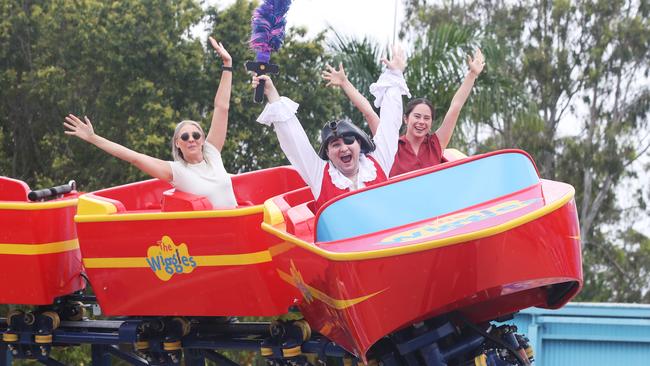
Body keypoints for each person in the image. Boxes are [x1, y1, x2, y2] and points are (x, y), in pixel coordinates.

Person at [64, 37, 237, 209]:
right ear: (177, 144)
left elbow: (221, 107)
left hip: (237, 225)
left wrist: (227, 64)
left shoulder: (213, 152)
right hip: (213, 231)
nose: (191, 139)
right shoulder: (177, 171)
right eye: (185, 136)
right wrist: (93, 138)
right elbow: (134, 158)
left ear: (202, 139)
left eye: (195, 135)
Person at [253, 45, 411, 210]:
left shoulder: (378, 160)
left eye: (349, 141)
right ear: (327, 152)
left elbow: (391, 121)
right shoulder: (319, 175)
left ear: (360, 144)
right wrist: (271, 93)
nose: (344, 148)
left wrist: (395, 73)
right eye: (335, 144)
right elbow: (294, 141)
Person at [322, 48, 485, 177]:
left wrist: (472, 75)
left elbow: (455, 108)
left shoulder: (436, 143)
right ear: (406, 119)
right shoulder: (391, 143)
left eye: (427, 118)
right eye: (417, 116)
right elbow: (369, 112)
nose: (421, 122)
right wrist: (345, 83)